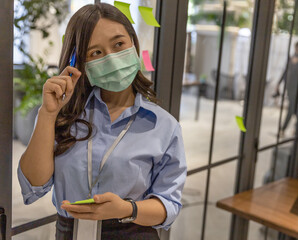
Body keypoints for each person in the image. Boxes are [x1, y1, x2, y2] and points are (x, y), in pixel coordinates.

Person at [17, 3, 187, 239]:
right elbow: (34, 185)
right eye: (95, 52)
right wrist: (47, 115)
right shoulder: (63, 114)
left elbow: (169, 205)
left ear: (133, 43)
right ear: (80, 63)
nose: (112, 59)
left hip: (133, 232)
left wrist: (127, 209)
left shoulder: (163, 125)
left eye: (119, 44)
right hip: (70, 232)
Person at [273, 41, 298, 137]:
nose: (297, 50)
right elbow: (286, 72)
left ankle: (284, 129)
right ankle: (295, 127)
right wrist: (278, 83)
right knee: (295, 109)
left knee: (292, 109)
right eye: (296, 48)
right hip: (290, 88)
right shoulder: (291, 58)